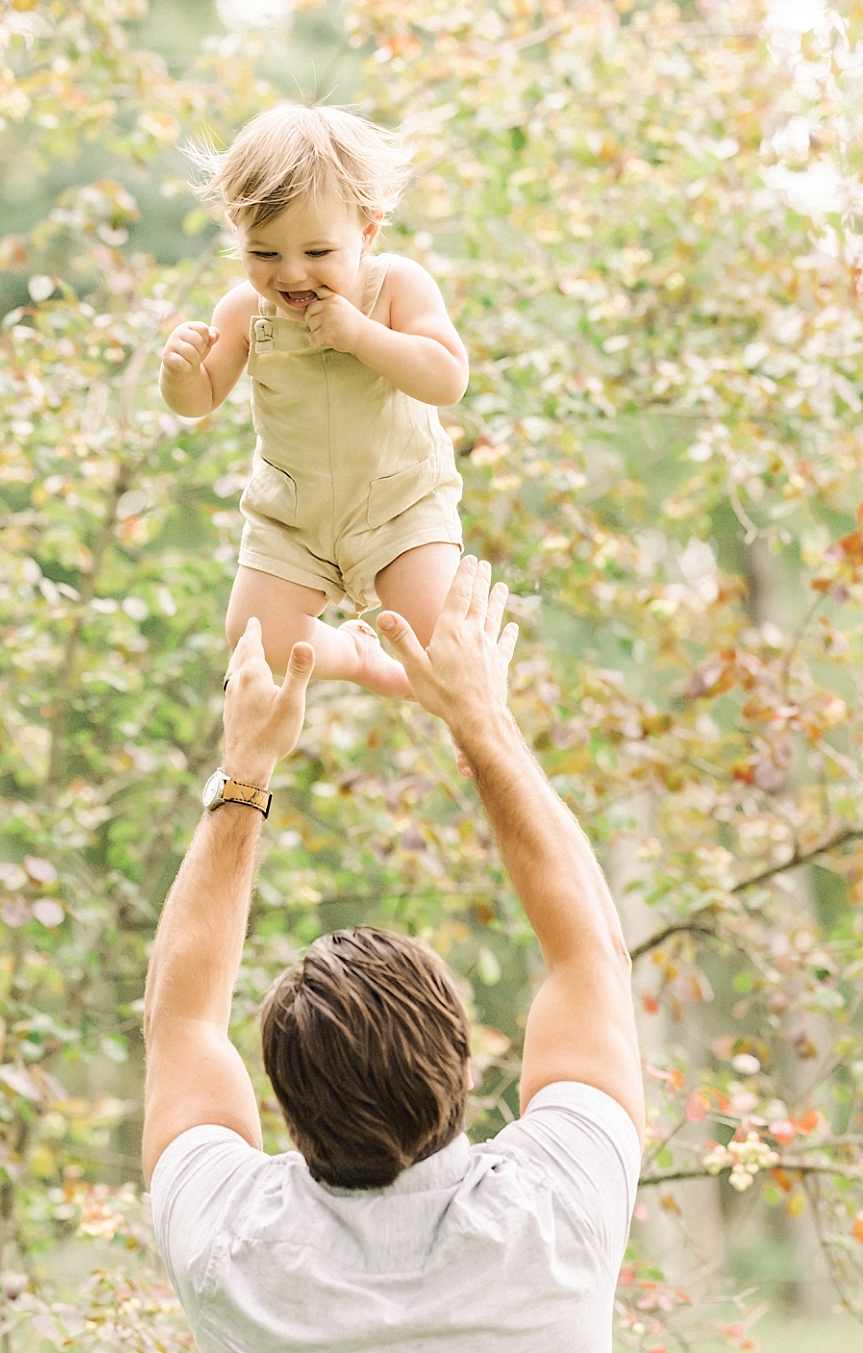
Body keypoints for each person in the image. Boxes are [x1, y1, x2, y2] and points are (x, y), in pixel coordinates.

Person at [144, 556, 644, 1350]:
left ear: (287, 1107)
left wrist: (245, 771)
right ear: (469, 1063)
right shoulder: (558, 1218)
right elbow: (591, 955)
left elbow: (181, 1023)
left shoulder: (228, 1251)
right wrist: (481, 720)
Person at [159, 103, 469, 699]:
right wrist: (180, 373)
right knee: (255, 634)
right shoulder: (243, 312)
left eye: (318, 253)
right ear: (238, 235)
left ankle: (471, 719)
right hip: (293, 521)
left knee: (443, 644)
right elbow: (200, 400)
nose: (293, 274)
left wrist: (363, 336)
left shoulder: (396, 285)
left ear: (368, 232)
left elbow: (447, 378)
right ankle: (356, 657)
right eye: (265, 253)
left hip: (399, 506)